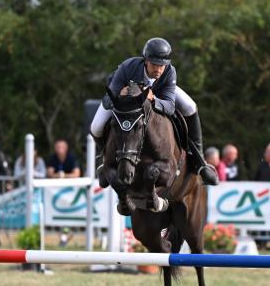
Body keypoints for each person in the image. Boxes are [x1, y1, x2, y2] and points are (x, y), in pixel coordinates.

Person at [90, 37, 218, 185]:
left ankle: (200, 162)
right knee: (96, 126)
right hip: (124, 103)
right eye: (154, 64)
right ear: (145, 60)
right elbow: (107, 100)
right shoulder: (127, 67)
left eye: (162, 65)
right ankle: (103, 160)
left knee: (190, 106)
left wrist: (154, 100)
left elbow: (169, 106)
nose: (158, 69)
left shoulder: (169, 72)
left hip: (159, 94)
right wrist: (120, 94)